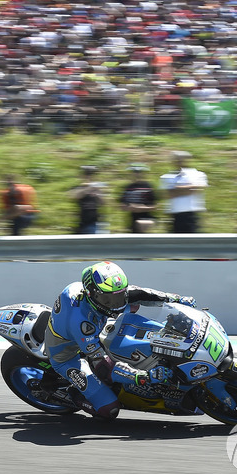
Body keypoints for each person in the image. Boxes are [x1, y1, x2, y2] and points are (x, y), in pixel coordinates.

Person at [46, 261, 197, 420]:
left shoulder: (100, 294)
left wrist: (177, 300)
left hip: (94, 327)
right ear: (91, 294)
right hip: (68, 355)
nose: (116, 303)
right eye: (109, 300)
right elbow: (104, 367)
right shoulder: (82, 323)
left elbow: (138, 294)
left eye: (119, 296)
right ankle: (73, 393)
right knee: (109, 410)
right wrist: (142, 376)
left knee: (134, 305)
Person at [160, 151, 208, 233]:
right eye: (177, 160)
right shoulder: (166, 177)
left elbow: (197, 190)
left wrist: (176, 188)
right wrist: (190, 187)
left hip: (192, 215)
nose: (180, 162)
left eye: (182, 160)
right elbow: (168, 194)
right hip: (174, 216)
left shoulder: (197, 174)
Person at [120, 164, 158, 234]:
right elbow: (122, 205)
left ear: (142, 174)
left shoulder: (148, 186)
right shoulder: (129, 187)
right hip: (133, 220)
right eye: (134, 172)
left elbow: (155, 206)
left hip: (146, 219)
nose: (136, 174)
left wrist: (139, 208)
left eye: (139, 172)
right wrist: (129, 208)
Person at [68, 165, 105, 234]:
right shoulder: (78, 187)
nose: (89, 177)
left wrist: (98, 194)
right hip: (82, 220)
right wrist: (88, 187)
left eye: (91, 175)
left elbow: (103, 202)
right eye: (87, 174)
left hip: (94, 221)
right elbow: (75, 196)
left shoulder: (97, 188)